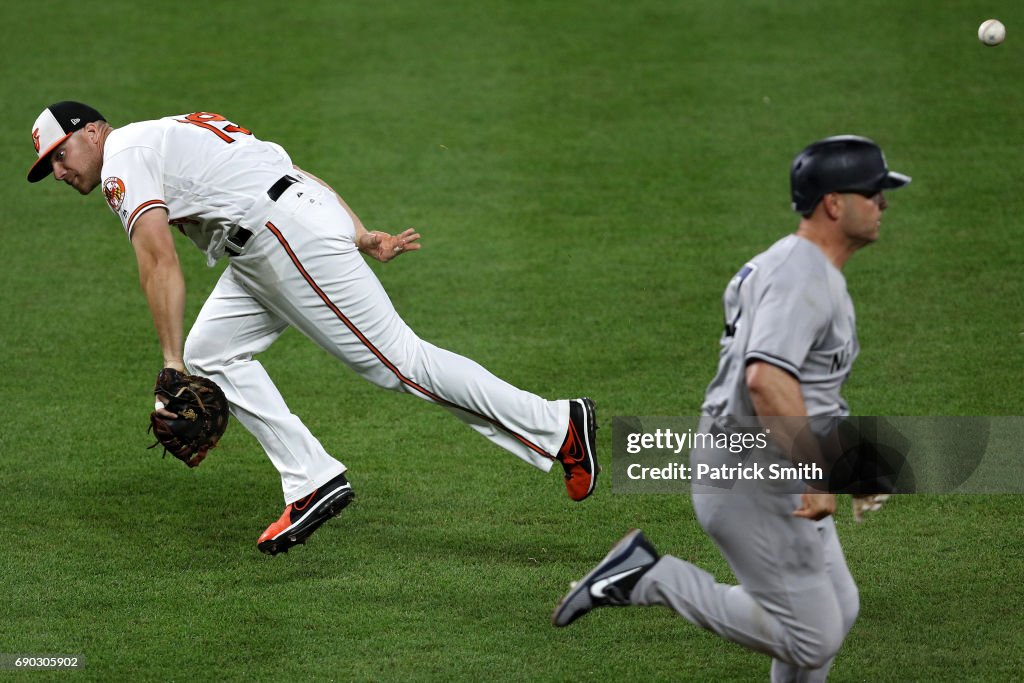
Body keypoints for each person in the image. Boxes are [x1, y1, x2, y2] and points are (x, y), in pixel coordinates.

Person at [27, 101, 598, 555]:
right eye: (47, 166)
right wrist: (359, 232)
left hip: (281, 237)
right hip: (280, 229)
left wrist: (168, 364)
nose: (57, 170)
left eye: (60, 153)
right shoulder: (165, 133)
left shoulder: (123, 159)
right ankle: (311, 480)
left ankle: (558, 423)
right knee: (213, 352)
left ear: (95, 130)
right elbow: (286, 168)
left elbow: (158, 261)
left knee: (401, 363)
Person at [552, 135, 910, 682]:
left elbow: (803, 384)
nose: (883, 204)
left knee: (838, 609)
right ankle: (646, 577)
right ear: (835, 203)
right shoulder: (803, 277)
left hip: (756, 458)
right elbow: (766, 381)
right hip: (753, 477)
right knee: (812, 636)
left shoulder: (787, 265)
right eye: (874, 193)